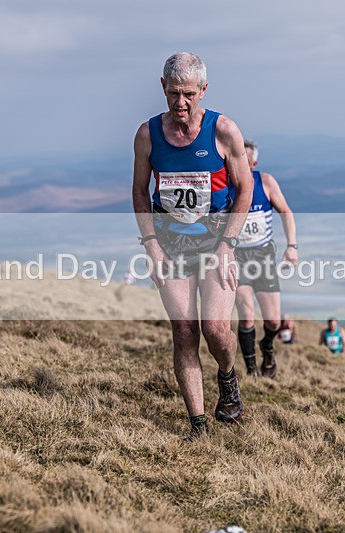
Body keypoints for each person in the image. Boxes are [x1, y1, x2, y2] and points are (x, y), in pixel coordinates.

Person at [132, 53, 254, 440]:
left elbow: (245, 188)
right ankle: (198, 425)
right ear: (162, 88)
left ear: (203, 90)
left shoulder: (224, 130)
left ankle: (228, 376)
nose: (180, 102)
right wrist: (151, 246)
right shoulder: (148, 135)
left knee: (215, 329)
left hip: (217, 242)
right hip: (170, 244)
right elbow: (140, 192)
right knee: (184, 332)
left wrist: (228, 245)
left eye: (188, 94)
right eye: (173, 93)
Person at [231, 140, 298, 378]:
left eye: (246, 159)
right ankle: (251, 371)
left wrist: (292, 246)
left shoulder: (266, 182)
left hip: (263, 257)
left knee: (273, 320)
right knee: (246, 316)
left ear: (254, 163)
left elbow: (286, 212)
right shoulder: (225, 184)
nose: (241, 163)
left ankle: (267, 346)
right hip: (237, 258)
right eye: (237, 158)